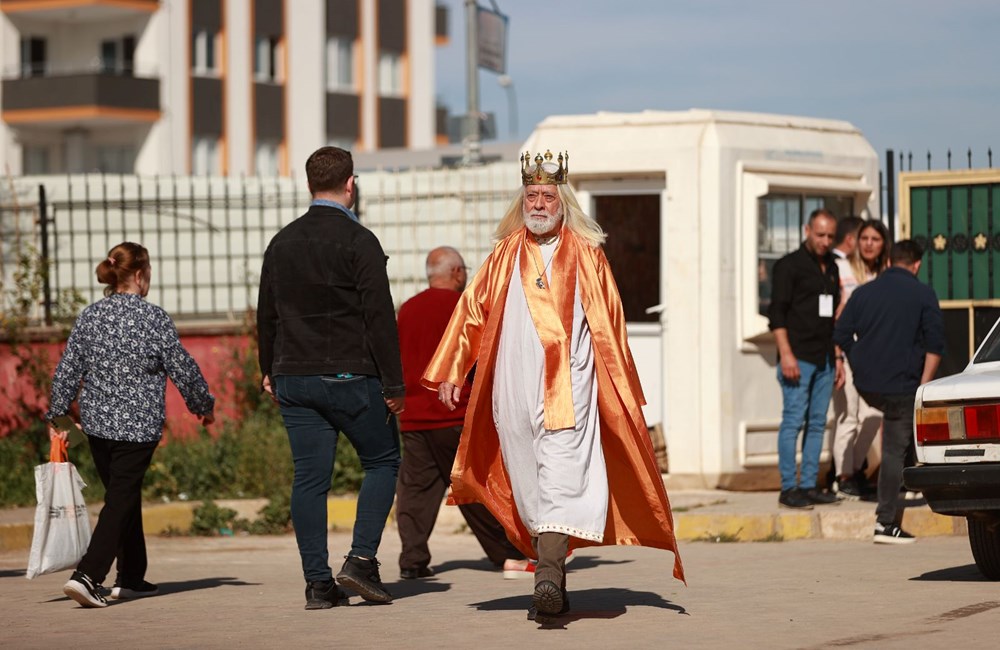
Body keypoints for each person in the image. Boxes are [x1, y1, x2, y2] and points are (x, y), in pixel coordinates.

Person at [422, 150, 684, 621]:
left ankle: (545, 576)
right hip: (513, 392)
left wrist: (621, 389)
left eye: (547, 195)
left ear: (562, 201)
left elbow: (611, 327)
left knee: (562, 479)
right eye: (532, 194)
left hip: (570, 391)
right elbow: (471, 314)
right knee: (529, 488)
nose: (538, 203)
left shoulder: (587, 255)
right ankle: (553, 579)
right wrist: (451, 370)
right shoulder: (503, 255)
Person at [257, 146, 404, 609]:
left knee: (309, 478)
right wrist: (395, 385)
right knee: (382, 461)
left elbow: (267, 314)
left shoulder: (281, 243)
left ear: (307, 185)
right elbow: (380, 319)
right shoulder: (360, 242)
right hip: (350, 375)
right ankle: (360, 560)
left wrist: (268, 368)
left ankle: (318, 585)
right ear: (351, 183)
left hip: (294, 377)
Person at [46, 242, 215, 608]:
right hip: (138, 428)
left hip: (97, 426)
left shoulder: (90, 316)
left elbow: (67, 370)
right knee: (120, 498)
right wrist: (203, 406)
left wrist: (58, 416)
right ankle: (88, 575)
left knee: (123, 496)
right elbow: (182, 367)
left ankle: (132, 575)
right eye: (149, 272)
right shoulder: (153, 318)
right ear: (139, 274)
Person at [395, 246, 530, 580]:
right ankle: (506, 553)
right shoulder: (464, 307)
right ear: (456, 273)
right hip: (456, 415)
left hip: (414, 416)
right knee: (475, 487)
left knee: (415, 492)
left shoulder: (408, 309)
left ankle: (412, 560)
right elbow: (483, 360)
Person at [833, 239, 944, 544]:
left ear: (890, 261)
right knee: (895, 447)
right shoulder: (924, 294)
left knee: (902, 437)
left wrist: (858, 361)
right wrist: (924, 383)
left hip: (868, 385)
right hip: (903, 385)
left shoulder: (864, 293)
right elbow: (934, 346)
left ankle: (907, 485)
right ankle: (885, 523)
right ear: (916, 264)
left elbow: (841, 333)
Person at [768, 209, 844, 509]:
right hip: (797, 356)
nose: (825, 241)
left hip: (825, 356)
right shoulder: (789, 266)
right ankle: (789, 488)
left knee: (816, 424)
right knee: (793, 421)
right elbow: (776, 315)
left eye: (830, 236)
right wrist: (786, 354)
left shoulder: (834, 267)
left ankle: (809, 484)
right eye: (819, 234)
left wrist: (837, 357)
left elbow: (833, 316)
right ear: (806, 230)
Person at [830, 218, 890, 499]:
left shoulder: (886, 274)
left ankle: (853, 469)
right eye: (864, 238)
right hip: (849, 351)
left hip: (877, 355)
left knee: (874, 414)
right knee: (849, 415)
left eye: (875, 239)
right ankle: (843, 476)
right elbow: (835, 316)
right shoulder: (841, 269)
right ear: (856, 241)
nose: (868, 244)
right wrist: (838, 356)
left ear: (883, 244)